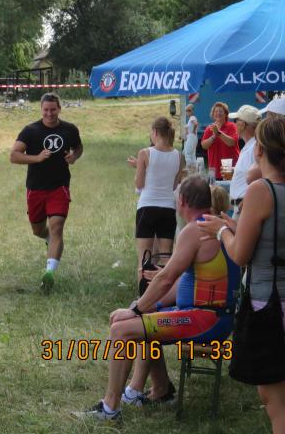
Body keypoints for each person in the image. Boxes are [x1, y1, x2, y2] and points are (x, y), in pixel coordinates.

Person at [74, 176, 240, 422]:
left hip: (205, 320)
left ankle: (110, 408)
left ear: (182, 201)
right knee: (145, 318)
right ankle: (161, 389)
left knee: (121, 330)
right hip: (215, 317)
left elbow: (165, 278)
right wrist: (149, 306)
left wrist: (136, 310)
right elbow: (185, 283)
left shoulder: (194, 230)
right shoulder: (219, 226)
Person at [199, 116, 285, 433]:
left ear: (259, 149)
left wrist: (222, 231)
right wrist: (236, 226)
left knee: (276, 400)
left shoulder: (261, 190)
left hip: (268, 305)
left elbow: (240, 254)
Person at [10, 92, 83, 291]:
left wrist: (74, 156)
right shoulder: (30, 131)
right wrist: (37, 158)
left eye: (53, 109)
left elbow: (78, 147)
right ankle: (48, 238)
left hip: (59, 186)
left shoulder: (69, 129)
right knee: (38, 230)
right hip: (36, 188)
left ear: (59, 109)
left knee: (57, 227)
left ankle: (49, 273)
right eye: (46, 110)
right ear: (41, 109)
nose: (49, 114)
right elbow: (14, 156)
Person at [128, 117, 184, 286]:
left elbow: (139, 184)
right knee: (166, 257)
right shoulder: (179, 156)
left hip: (147, 207)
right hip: (168, 208)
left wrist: (140, 168)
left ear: (155, 132)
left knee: (144, 257)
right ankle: (166, 294)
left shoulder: (145, 153)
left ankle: (143, 296)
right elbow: (174, 185)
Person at [226, 104, 261, 213]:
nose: (234, 124)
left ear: (243, 125)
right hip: (241, 206)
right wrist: (235, 171)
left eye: (236, 121)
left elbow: (264, 176)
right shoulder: (250, 145)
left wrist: (246, 200)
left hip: (246, 207)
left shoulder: (256, 147)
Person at [200, 101, 239, 180]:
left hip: (230, 168)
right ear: (213, 114)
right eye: (216, 111)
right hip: (214, 168)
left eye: (221, 111)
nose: (218, 113)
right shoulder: (210, 128)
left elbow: (232, 142)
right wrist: (213, 136)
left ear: (225, 114)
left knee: (229, 186)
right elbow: (204, 145)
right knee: (215, 187)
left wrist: (218, 133)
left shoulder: (232, 126)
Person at [182, 104, 198, 168]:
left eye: (189, 110)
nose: (187, 112)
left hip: (191, 137)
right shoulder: (190, 119)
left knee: (187, 153)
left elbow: (196, 124)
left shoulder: (192, 117)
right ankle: (194, 169)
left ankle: (188, 168)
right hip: (192, 137)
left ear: (192, 111)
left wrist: (193, 130)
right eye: (186, 110)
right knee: (192, 154)